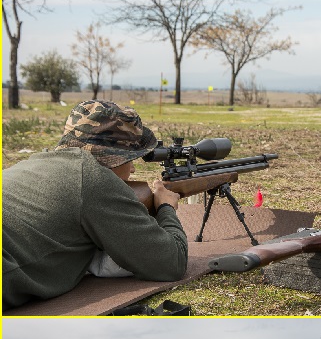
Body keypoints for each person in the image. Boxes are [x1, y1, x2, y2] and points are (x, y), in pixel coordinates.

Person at [2, 100, 188, 309]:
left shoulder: (31, 163)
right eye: (131, 159)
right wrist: (166, 208)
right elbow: (172, 262)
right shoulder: (94, 179)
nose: (133, 169)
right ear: (114, 158)